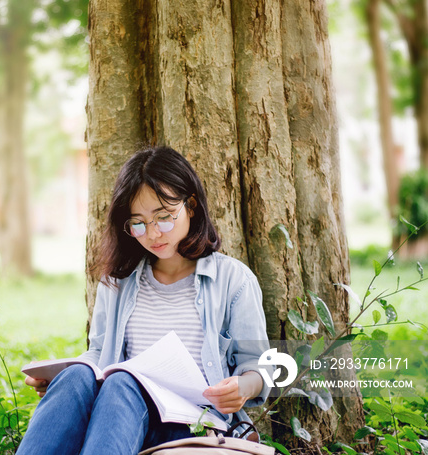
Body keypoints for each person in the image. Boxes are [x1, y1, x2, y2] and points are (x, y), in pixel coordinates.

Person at [17, 146, 271, 455]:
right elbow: (99, 354)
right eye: (138, 222)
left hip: (194, 422)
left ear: (190, 206)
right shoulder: (117, 282)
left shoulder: (234, 280)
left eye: (163, 217)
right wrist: (56, 380)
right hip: (121, 415)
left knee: (123, 382)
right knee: (77, 377)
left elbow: (257, 365)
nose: (152, 234)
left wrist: (243, 387)